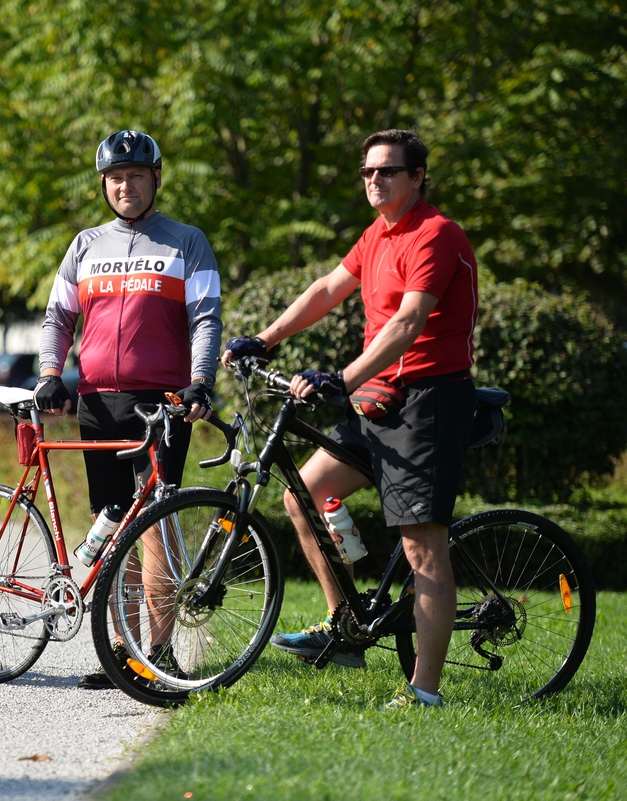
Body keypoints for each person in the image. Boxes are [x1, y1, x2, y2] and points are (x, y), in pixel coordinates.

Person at [222, 129, 479, 709]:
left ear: (417, 177)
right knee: (302, 493)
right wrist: (265, 338)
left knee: (422, 548)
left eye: (388, 171)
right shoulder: (377, 236)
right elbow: (326, 289)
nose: (375, 180)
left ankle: (424, 692)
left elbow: (407, 324)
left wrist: (344, 377)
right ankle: (346, 631)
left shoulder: (436, 235)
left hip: (427, 401)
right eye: (367, 172)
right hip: (378, 402)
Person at [36, 130, 222, 689]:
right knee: (115, 523)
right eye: (116, 178)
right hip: (96, 400)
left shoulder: (186, 242)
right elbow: (56, 318)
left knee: (154, 527)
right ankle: (123, 650)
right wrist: (50, 373)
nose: (125, 186)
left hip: (160, 402)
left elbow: (206, 318)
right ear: (104, 185)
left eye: (136, 176)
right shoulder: (86, 244)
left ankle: (158, 656)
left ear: (156, 179)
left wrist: (200, 381)